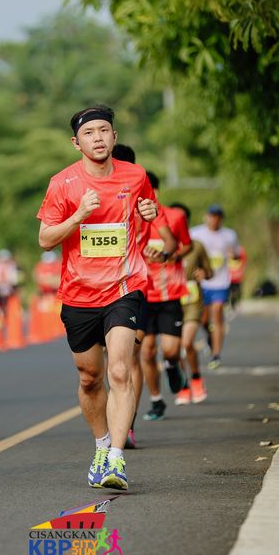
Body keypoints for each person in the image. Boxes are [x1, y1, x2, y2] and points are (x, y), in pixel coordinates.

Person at [37, 105, 166, 491]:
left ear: (114, 136)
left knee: (121, 370)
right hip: (79, 293)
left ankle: (116, 459)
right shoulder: (62, 183)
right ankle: (101, 445)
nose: (98, 138)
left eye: (104, 130)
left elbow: (148, 211)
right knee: (90, 377)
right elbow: (45, 239)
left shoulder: (135, 175)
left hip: (125, 287)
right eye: (89, 133)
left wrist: (150, 211)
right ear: (76, 143)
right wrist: (78, 215)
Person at [111, 145, 177, 447]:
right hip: (97, 290)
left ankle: (127, 425)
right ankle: (117, 422)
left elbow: (170, 241)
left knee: (128, 358)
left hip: (134, 288)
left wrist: (161, 253)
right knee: (106, 364)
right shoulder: (90, 196)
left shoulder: (143, 200)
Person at [140, 175, 192, 420]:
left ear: (157, 192)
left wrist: (170, 256)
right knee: (147, 351)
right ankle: (156, 400)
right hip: (142, 294)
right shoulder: (130, 219)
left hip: (170, 292)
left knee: (170, 350)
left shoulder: (175, 217)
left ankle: (172, 365)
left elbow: (187, 245)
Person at [169, 203, 213, 405]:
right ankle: (184, 386)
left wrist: (204, 273)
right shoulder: (164, 245)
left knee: (187, 342)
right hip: (171, 301)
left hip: (192, 301)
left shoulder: (197, 246)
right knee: (175, 348)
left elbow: (210, 271)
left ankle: (196, 379)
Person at [190, 205, 240, 369]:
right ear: (206, 217)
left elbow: (237, 255)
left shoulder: (229, 235)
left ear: (221, 219)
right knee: (203, 319)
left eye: (217, 217)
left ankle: (216, 355)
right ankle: (210, 337)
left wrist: (234, 255)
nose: (214, 220)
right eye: (211, 216)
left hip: (220, 281)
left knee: (217, 313)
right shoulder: (196, 233)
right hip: (201, 283)